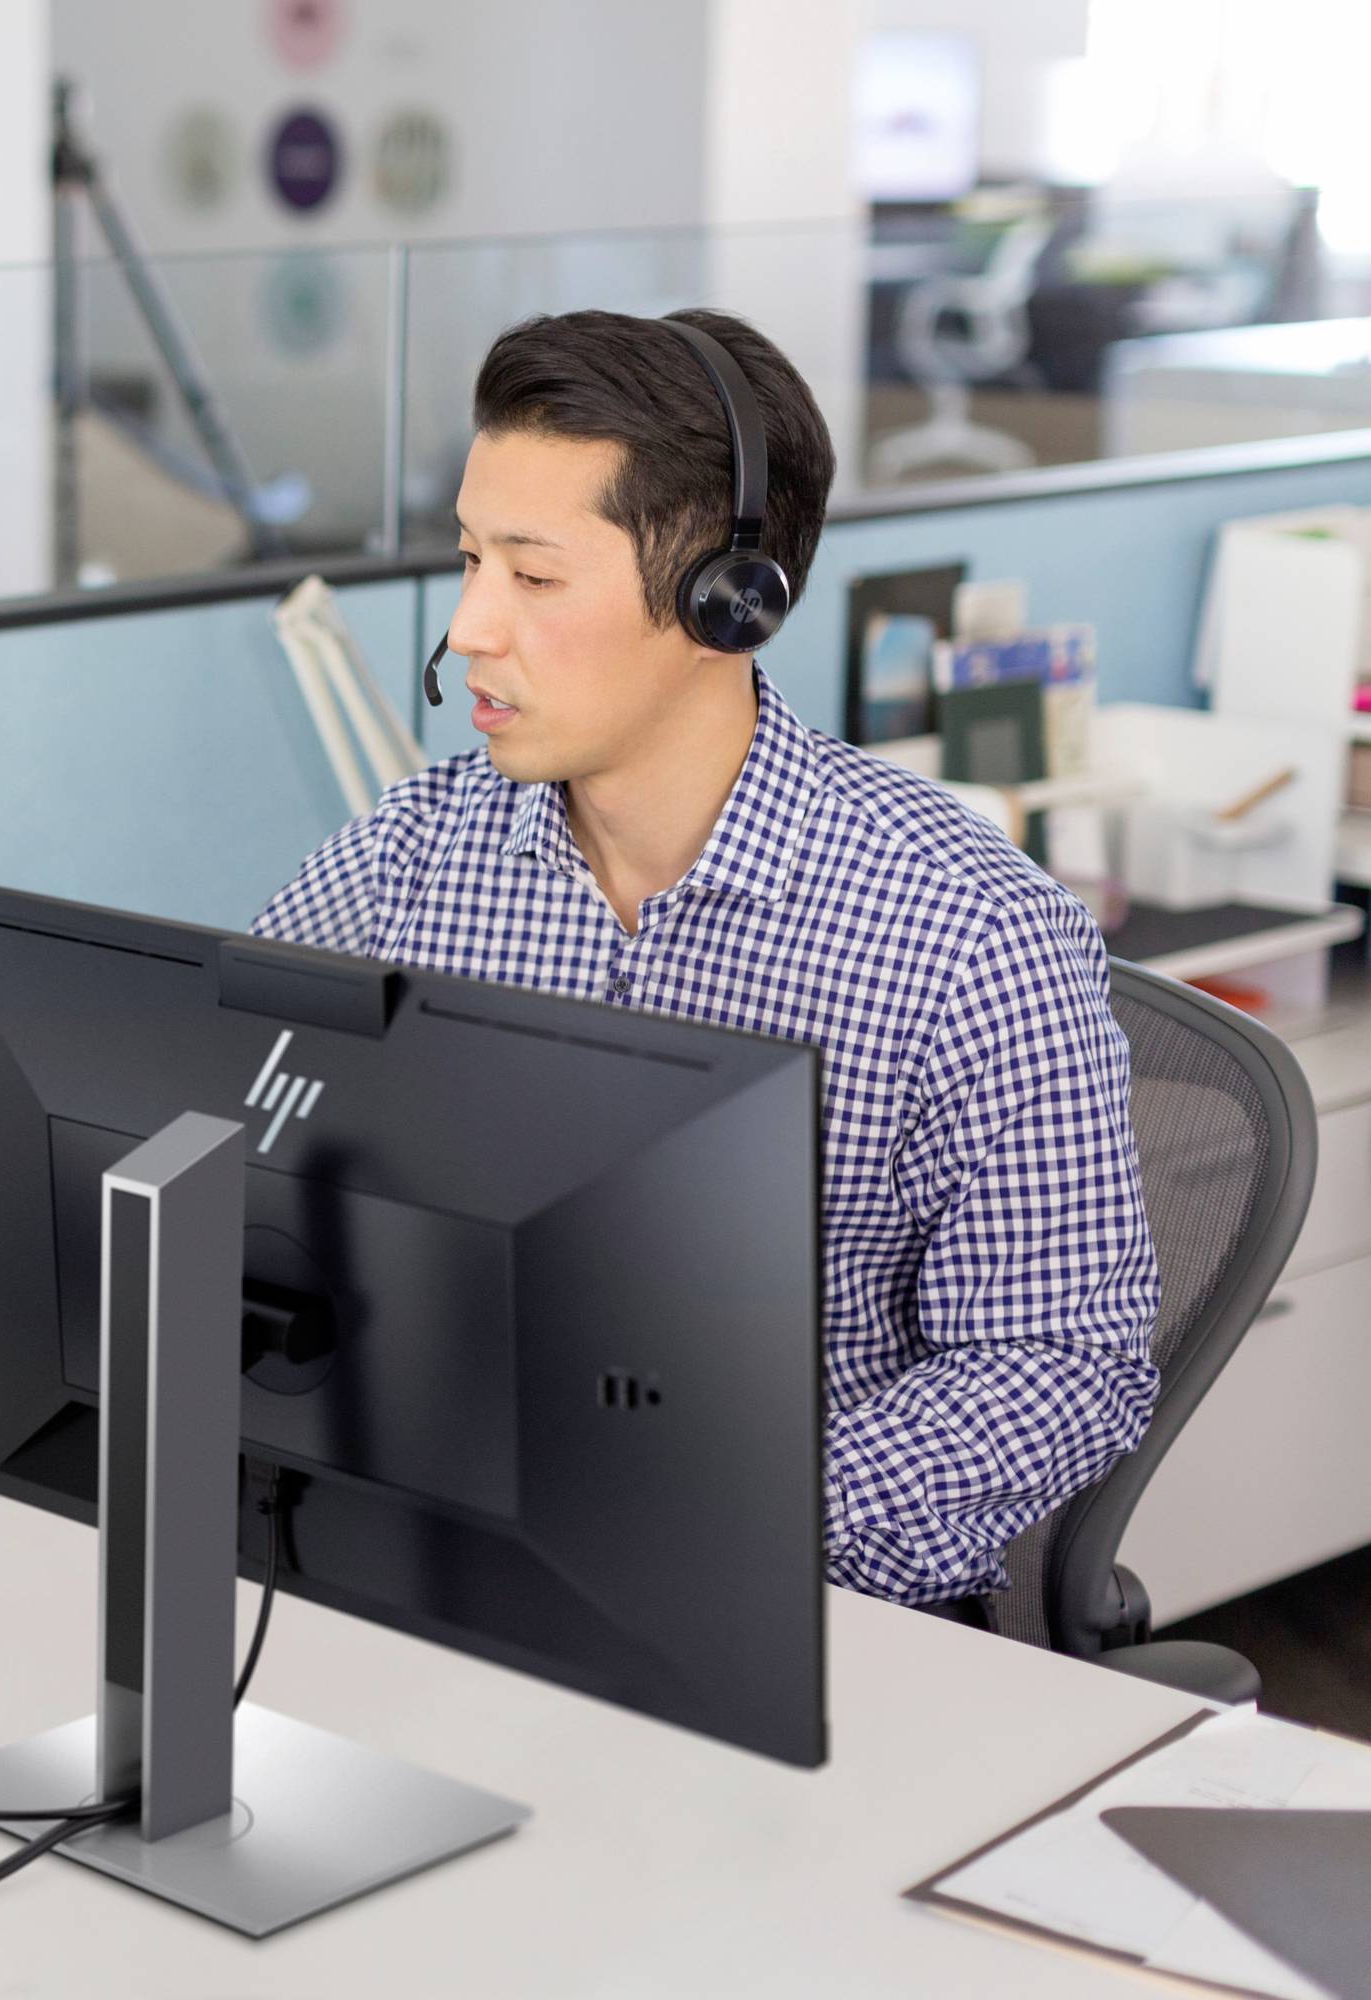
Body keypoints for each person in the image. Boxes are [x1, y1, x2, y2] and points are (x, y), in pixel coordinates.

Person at [255, 308, 1159, 1609]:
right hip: (431, 1568)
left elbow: (1059, 1365)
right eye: (469, 562)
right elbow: (220, 1163)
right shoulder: (405, 863)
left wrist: (714, 1509)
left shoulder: (965, 934)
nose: (468, 630)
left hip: (786, 1611)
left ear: (724, 603)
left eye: (533, 577)